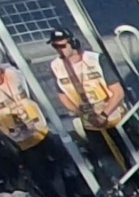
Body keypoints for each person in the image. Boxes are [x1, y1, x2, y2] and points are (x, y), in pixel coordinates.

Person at [0, 47, 85, 197]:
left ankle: (78, 193)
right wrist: (3, 136)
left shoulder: (14, 73)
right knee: (38, 173)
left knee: (66, 158)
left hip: (39, 129)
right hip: (18, 140)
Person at [49, 32, 132, 176]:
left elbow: (118, 92)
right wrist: (80, 113)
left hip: (114, 118)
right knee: (108, 163)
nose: (58, 50)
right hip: (90, 122)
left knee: (129, 156)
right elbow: (62, 95)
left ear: (73, 43)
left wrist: (104, 114)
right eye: (55, 46)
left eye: (62, 45)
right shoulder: (56, 66)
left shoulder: (95, 59)